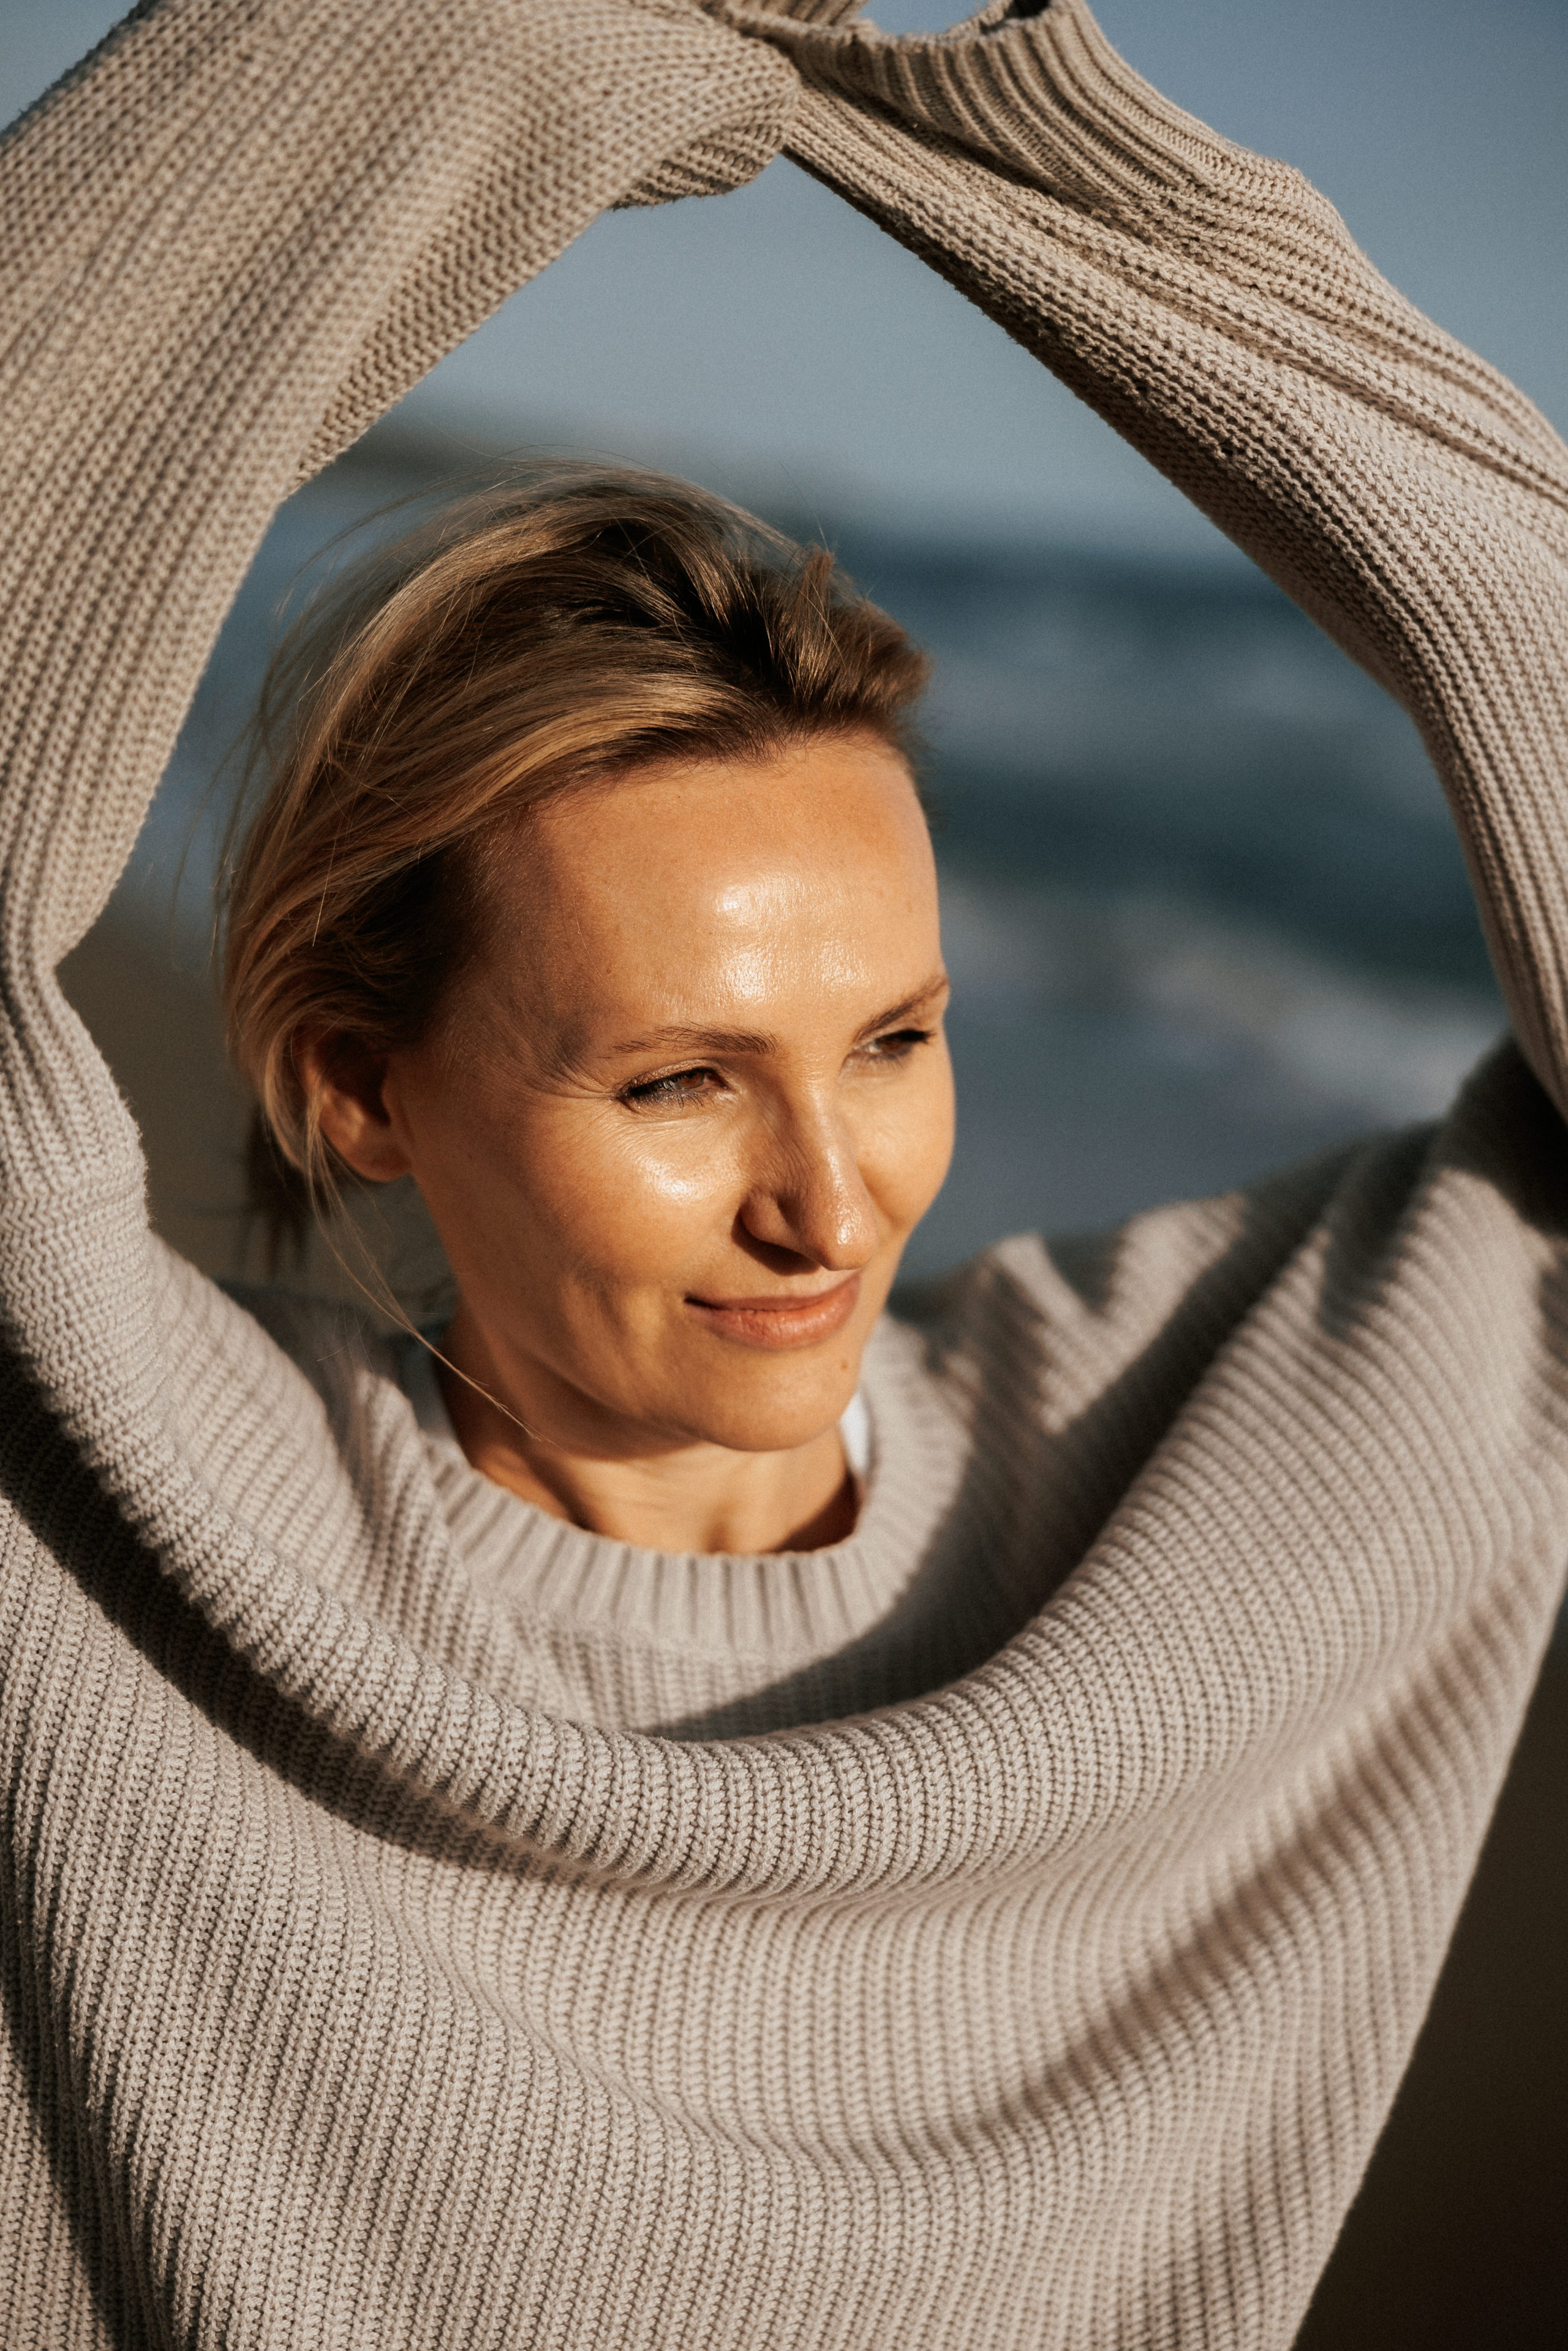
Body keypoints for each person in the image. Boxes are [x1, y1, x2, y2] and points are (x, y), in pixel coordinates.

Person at [2, 2, 1566, 2346]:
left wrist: (974, 120)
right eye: (676, 1084)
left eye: (900, 1041)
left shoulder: (1211, 1507)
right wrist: (501, 36)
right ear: (357, 1087)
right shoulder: (106, 1521)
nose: (832, 1206)